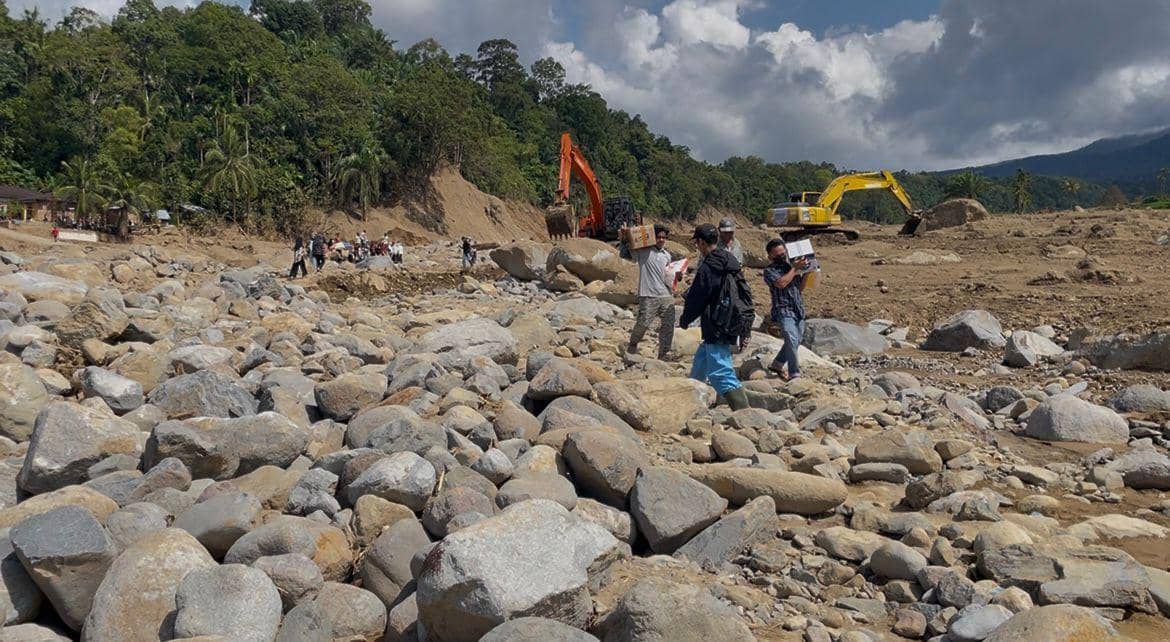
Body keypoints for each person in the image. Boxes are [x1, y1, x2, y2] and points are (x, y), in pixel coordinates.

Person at [680, 224, 751, 410]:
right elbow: (745, 292)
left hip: (717, 323)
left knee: (720, 371)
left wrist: (685, 319)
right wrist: (746, 326)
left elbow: (698, 297)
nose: (697, 246)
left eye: (697, 242)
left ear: (701, 242)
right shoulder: (730, 260)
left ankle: (745, 413)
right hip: (732, 318)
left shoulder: (709, 266)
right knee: (702, 361)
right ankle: (690, 398)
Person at [624, 225, 676, 360]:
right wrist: (624, 238)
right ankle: (633, 344)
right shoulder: (643, 251)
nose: (661, 240)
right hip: (648, 294)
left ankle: (664, 353)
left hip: (666, 294)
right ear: (654, 238)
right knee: (643, 322)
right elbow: (625, 254)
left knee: (668, 325)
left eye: (664, 237)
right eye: (659, 237)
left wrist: (677, 277)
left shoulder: (667, 256)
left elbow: (669, 275)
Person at [763, 238, 811, 380]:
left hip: (797, 308)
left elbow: (799, 288)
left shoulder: (790, 267)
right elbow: (781, 283)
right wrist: (795, 269)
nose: (782, 257)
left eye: (783, 253)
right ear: (770, 256)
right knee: (791, 337)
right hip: (784, 309)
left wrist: (807, 271)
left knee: (795, 341)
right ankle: (794, 373)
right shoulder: (770, 271)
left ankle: (777, 364)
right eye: (778, 255)